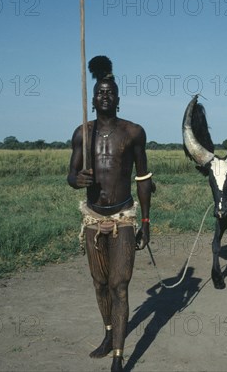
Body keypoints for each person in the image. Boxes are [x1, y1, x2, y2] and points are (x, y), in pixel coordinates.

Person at [67, 56, 153, 372]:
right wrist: (78, 180)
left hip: (124, 219)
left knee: (119, 285)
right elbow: (70, 175)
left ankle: (118, 355)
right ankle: (108, 333)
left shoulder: (133, 133)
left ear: (118, 98)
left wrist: (145, 221)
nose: (105, 96)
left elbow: (144, 179)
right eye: (100, 92)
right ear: (93, 100)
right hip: (92, 219)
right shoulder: (82, 134)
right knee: (100, 283)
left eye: (110, 92)